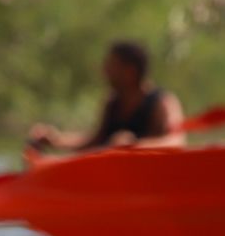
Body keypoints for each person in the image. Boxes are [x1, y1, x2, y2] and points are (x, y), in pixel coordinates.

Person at [27, 40, 185, 152]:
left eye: (111, 66)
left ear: (130, 72)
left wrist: (135, 145)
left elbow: (177, 143)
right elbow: (94, 141)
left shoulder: (163, 102)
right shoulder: (112, 102)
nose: (105, 72)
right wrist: (56, 140)